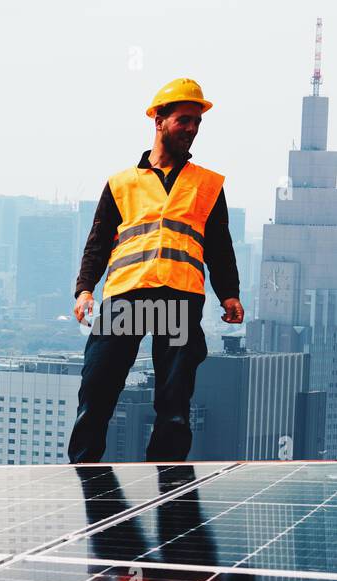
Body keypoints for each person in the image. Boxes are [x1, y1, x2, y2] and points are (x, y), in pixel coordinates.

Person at [68, 77, 244, 464]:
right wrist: (85, 289)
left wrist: (229, 293)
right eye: (184, 120)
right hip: (127, 295)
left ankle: (165, 484)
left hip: (179, 297)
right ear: (159, 120)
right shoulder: (122, 183)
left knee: (174, 402)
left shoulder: (207, 185)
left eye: (197, 122)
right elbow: (98, 242)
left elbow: (218, 244)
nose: (192, 129)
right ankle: (80, 472)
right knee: (97, 391)